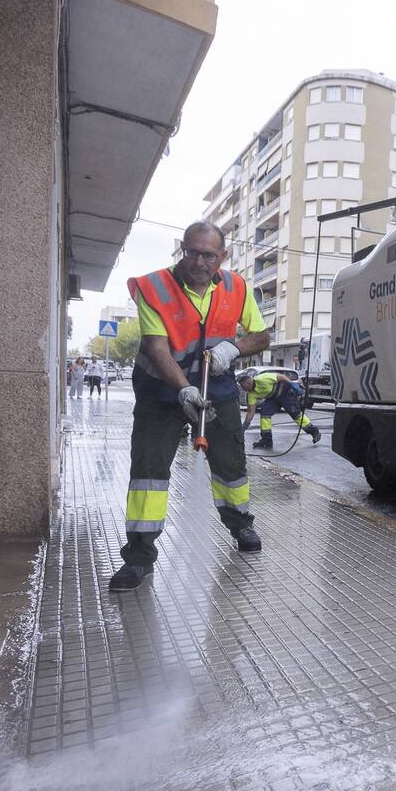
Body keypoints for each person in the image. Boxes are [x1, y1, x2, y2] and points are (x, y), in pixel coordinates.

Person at [110, 221, 273, 592]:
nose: (199, 261)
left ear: (223, 257)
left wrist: (235, 348)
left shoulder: (237, 286)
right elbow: (157, 347)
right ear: (182, 248)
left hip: (217, 387)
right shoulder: (155, 287)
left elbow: (262, 336)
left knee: (231, 466)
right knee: (149, 473)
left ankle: (240, 523)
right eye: (192, 252)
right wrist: (184, 391)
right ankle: (138, 558)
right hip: (161, 392)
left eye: (209, 255)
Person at [237, 370, 321, 450]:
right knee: (265, 413)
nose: (243, 389)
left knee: (296, 415)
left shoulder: (262, 378)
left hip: (286, 394)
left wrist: (292, 384)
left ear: (248, 383)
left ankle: (314, 431)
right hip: (273, 398)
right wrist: (245, 426)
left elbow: (281, 376)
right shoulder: (251, 395)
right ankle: (267, 440)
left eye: (244, 387)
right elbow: (251, 411)